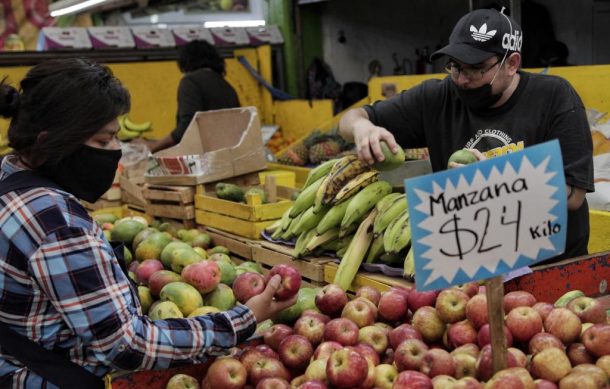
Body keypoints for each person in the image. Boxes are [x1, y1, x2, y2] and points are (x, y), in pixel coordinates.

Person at [0, 58, 295, 388]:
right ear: (47, 141)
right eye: (103, 141)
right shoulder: (58, 224)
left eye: (116, 137)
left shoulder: (8, 177)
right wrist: (246, 318)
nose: (117, 151)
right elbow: (128, 345)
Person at [339, 8, 594, 263]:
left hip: (549, 267)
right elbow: (350, 119)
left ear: (512, 64)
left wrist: (502, 179)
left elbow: (574, 196)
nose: (461, 79)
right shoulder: (437, 98)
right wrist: (363, 128)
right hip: (470, 264)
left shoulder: (554, 97)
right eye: (454, 66)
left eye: (475, 69)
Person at [147, 40, 240, 152]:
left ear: (186, 61)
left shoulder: (190, 82)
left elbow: (188, 127)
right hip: (228, 157)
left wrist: (154, 147)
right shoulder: (227, 87)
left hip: (203, 160)